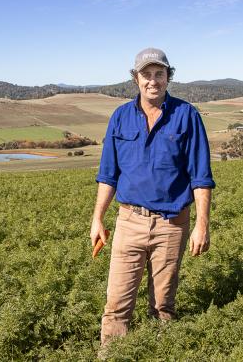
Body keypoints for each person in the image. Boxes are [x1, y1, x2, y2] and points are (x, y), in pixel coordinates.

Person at [90, 47, 215, 347]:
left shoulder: (187, 116)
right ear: (136, 79)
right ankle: (112, 355)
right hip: (129, 221)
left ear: (168, 77)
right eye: (146, 74)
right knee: (116, 305)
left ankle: (161, 352)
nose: (153, 81)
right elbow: (108, 174)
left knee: (162, 307)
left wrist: (202, 224)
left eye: (159, 74)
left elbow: (200, 176)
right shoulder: (120, 117)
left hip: (172, 224)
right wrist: (97, 218)